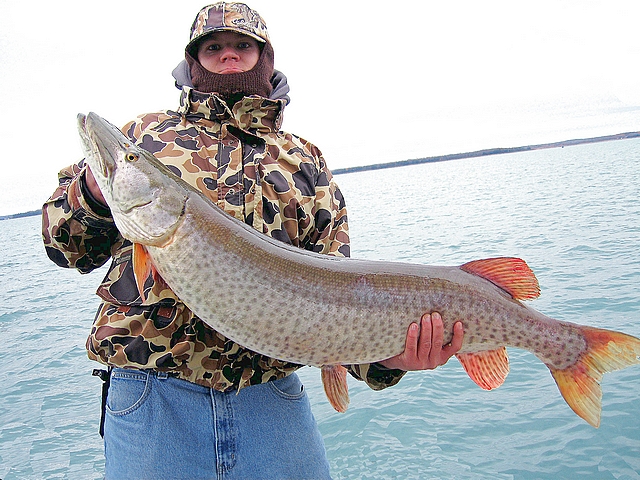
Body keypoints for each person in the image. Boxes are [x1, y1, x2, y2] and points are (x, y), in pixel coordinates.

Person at [42, 3, 464, 479]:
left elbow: (339, 296)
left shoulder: (304, 160)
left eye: (242, 46)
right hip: (153, 396)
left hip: (272, 399)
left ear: (264, 57)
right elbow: (64, 247)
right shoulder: (146, 137)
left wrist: (390, 357)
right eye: (213, 47)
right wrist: (96, 192)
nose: (228, 56)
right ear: (193, 60)